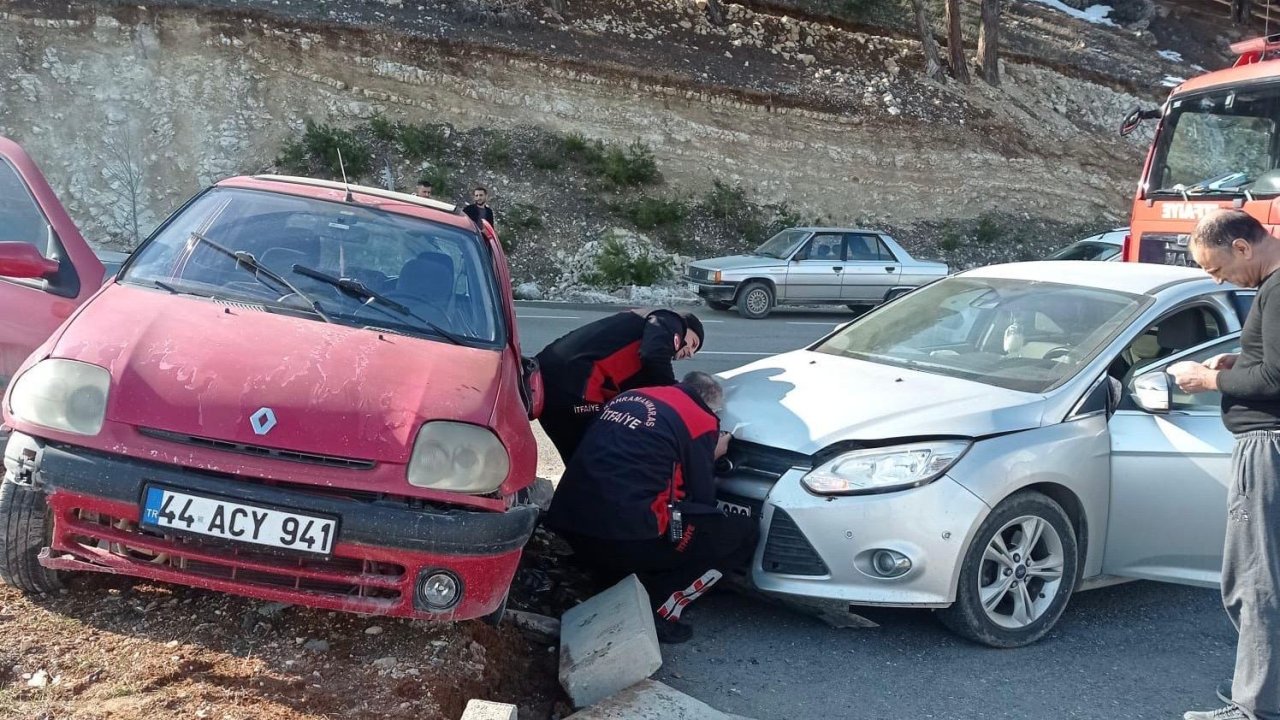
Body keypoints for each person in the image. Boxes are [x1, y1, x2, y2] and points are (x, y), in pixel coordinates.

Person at [545, 372, 755, 644]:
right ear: (711, 406)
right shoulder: (700, 419)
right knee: (741, 532)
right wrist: (711, 454)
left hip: (570, 522)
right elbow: (702, 497)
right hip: (626, 538)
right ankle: (662, 608)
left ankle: (606, 574)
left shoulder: (631, 396)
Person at [1169, 209, 1280, 720]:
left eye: (1217, 269)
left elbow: (1275, 380)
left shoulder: (1276, 290)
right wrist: (1240, 363)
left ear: (1242, 247)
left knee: (1253, 580)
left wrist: (1209, 380)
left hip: (1267, 447)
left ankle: (1254, 707)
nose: (1218, 281)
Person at [535, 308, 704, 462]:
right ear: (685, 327)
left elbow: (637, 392)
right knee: (601, 457)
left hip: (554, 381)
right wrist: (677, 396)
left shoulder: (636, 338)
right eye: (693, 344)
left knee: (581, 461)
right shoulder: (669, 319)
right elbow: (654, 356)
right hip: (576, 385)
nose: (690, 353)